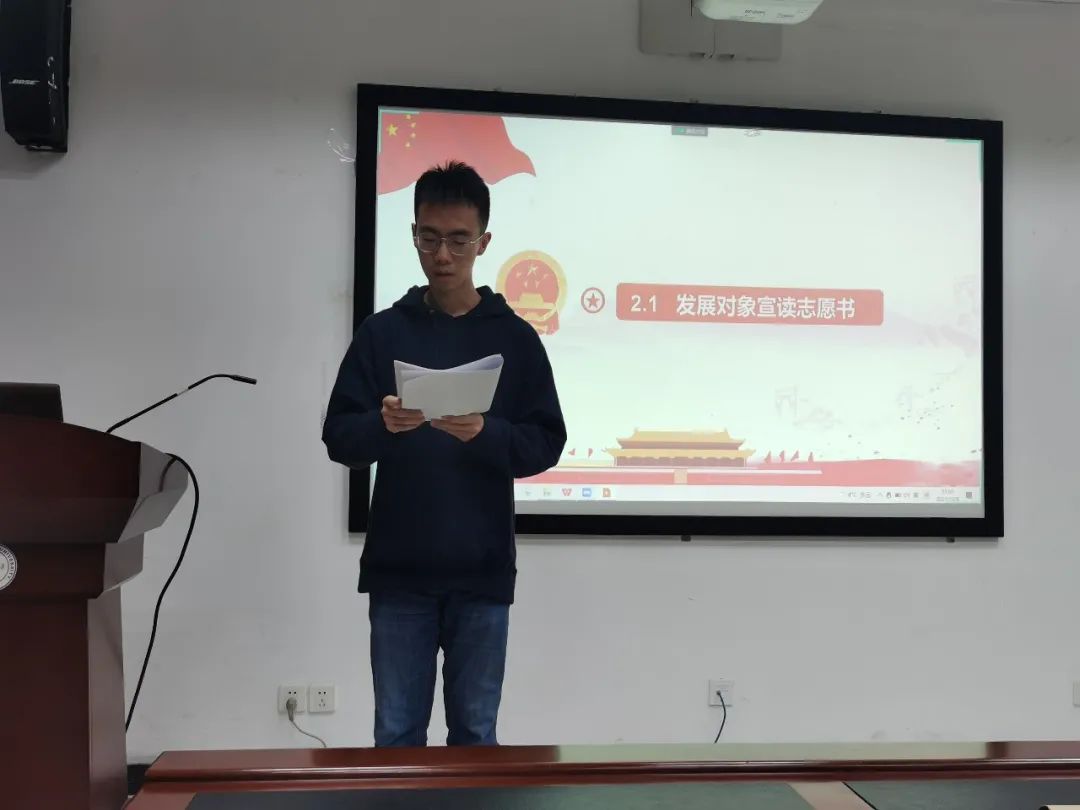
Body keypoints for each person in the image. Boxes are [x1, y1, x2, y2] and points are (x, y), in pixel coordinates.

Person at [322, 161, 566, 747]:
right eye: (429, 238)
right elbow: (339, 437)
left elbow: (546, 442)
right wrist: (384, 426)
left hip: (481, 572)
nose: (442, 255)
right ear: (413, 235)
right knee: (396, 736)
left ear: (484, 242)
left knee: (476, 736)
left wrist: (485, 432)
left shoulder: (514, 338)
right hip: (398, 571)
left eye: (458, 240)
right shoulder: (383, 333)